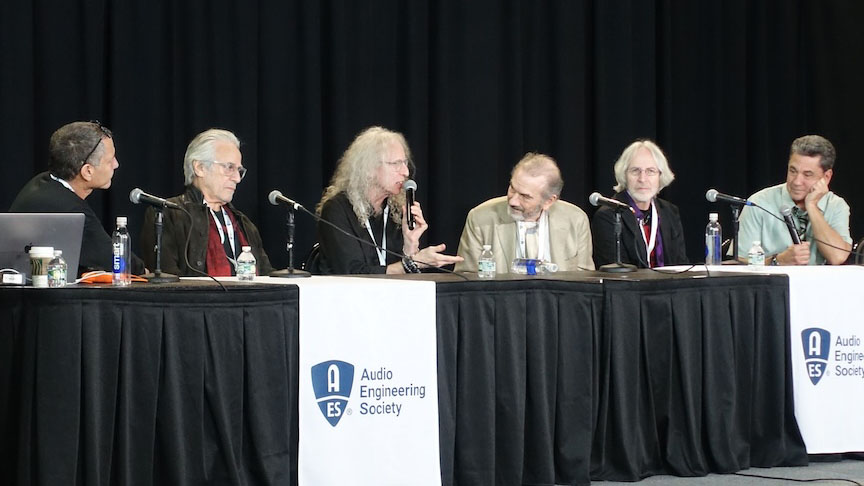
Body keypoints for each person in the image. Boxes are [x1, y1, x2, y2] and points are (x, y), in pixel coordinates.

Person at [314, 126, 462, 274]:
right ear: (369, 168)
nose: (406, 172)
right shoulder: (336, 210)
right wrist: (412, 263)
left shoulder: (397, 211)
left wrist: (410, 245)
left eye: (405, 163)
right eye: (396, 164)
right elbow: (352, 272)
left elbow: (404, 277)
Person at [10, 120, 145, 277]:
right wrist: (143, 270)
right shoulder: (68, 208)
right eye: (110, 160)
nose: (116, 164)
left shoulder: (42, 182)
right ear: (87, 171)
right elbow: (115, 260)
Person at [139, 129, 273, 276]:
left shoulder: (244, 224)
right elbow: (166, 283)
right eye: (229, 168)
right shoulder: (166, 214)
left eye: (239, 170)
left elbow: (267, 278)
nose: (237, 178)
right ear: (200, 168)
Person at [455, 152, 594, 273]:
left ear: (549, 201)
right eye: (512, 189)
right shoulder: (481, 218)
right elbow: (467, 278)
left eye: (525, 196)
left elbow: (585, 278)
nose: (513, 201)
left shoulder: (575, 220)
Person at [737, 135, 851, 265]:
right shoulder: (758, 203)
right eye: (793, 171)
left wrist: (812, 207)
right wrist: (777, 261)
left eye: (807, 175)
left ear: (826, 177)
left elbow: (837, 257)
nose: (797, 182)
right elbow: (739, 262)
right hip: (771, 284)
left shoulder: (836, 206)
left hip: (819, 284)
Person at [591, 140, 688, 268]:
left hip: (669, 287)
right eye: (635, 171)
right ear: (624, 175)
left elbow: (681, 265)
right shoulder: (608, 216)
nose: (642, 179)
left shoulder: (670, 212)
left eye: (650, 171)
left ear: (660, 176)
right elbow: (616, 275)